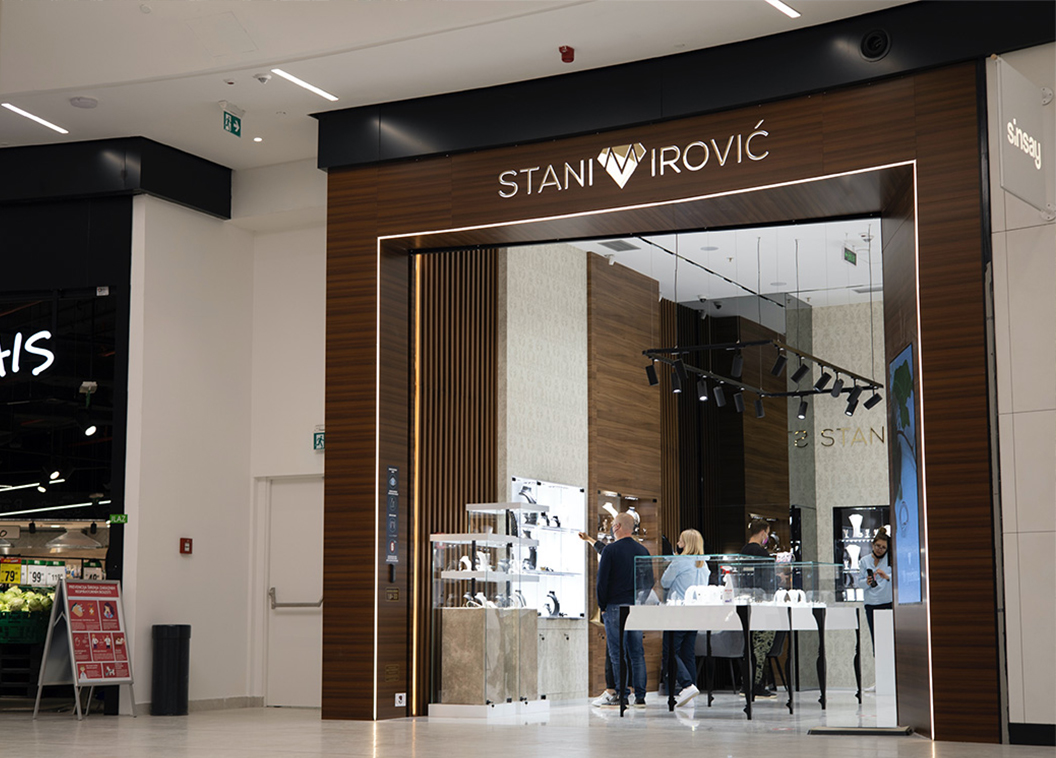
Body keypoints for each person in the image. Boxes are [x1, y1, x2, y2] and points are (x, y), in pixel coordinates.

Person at [596, 512, 651, 708]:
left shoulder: (610, 551)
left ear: (617, 527)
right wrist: (640, 600)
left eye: (613, 524)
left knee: (617, 652)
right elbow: (649, 581)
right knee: (637, 653)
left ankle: (623, 694)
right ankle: (641, 696)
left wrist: (602, 606)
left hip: (614, 606)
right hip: (635, 606)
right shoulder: (643, 550)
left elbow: (602, 582)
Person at [660, 528, 709, 707]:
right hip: (696, 612)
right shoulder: (704, 564)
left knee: (670, 651)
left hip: (678, 611)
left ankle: (686, 685)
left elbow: (664, 582)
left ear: (686, 544)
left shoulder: (680, 562)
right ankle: (691, 689)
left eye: (680, 540)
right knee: (688, 652)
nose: (677, 544)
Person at [740, 519, 775, 699]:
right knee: (761, 645)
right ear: (763, 532)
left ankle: (746, 683)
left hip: (745, 604)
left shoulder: (743, 552)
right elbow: (768, 580)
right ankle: (757, 684)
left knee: (749, 646)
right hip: (762, 604)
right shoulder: (762, 554)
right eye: (767, 533)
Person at [858, 528, 892, 648]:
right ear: (872, 545)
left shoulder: (890, 560)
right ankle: (876, 657)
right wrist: (866, 582)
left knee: (889, 639)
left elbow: (898, 579)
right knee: (876, 640)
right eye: (877, 546)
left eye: (883, 547)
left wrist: (886, 576)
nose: (879, 549)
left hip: (888, 603)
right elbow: (859, 583)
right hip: (871, 604)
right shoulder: (864, 561)